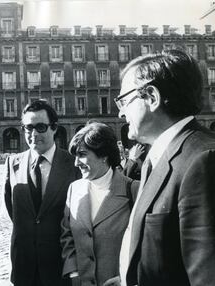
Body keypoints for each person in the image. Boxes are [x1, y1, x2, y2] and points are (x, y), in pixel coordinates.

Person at [116, 49, 215, 286]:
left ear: (151, 96)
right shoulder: (161, 156)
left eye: (124, 101)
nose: (120, 112)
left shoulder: (204, 160)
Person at [4, 99, 81, 286]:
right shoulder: (13, 163)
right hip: (24, 267)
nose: (33, 134)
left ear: (54, 128)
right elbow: (12, 209)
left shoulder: (74, 165)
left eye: (40, 127)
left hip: (60, 267)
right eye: (28, 128)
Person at [61, 122, 138, 286]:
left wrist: (127, 278)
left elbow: (144, 245)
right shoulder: (74, 189)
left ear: (104, 155)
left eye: (81, 154)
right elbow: (67, 236)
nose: (76, 163)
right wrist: (74, 272)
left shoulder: (133, 190)